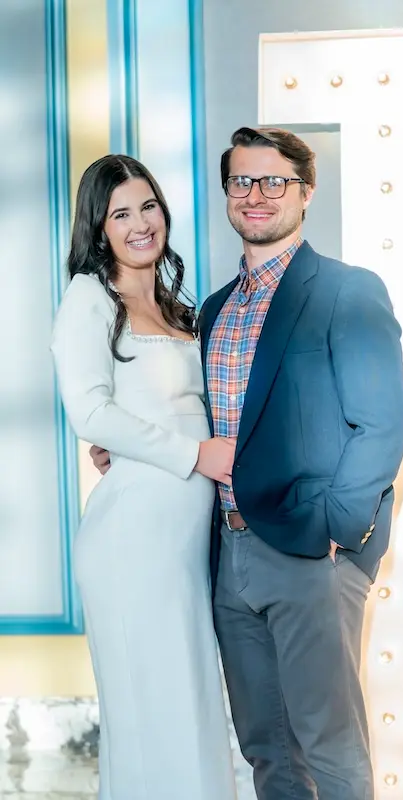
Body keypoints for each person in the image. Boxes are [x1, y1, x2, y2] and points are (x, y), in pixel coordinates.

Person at [90, 127, 403, 799]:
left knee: (331, 746)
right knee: (266, 746)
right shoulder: (211, 311)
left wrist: (338, 532)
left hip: (308, 556)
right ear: (228, 194)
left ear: (306, 192)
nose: (256, 195)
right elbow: (200, 418)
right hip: (227, 561)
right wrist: (127, 446)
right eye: (242, 181)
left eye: (274, 181)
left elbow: (378, 424)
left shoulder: (347, 292)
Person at [50, 154, 238, 800]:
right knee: (149, 716)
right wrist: (193, 455)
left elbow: (163, 405)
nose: (139, 224)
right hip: (132, 545)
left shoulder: (173, 306)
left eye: (148, 206)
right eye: (120, 213)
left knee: (192, 709)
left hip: (186, 545)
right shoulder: (87, 298)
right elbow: (90, 411)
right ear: (97, 227)